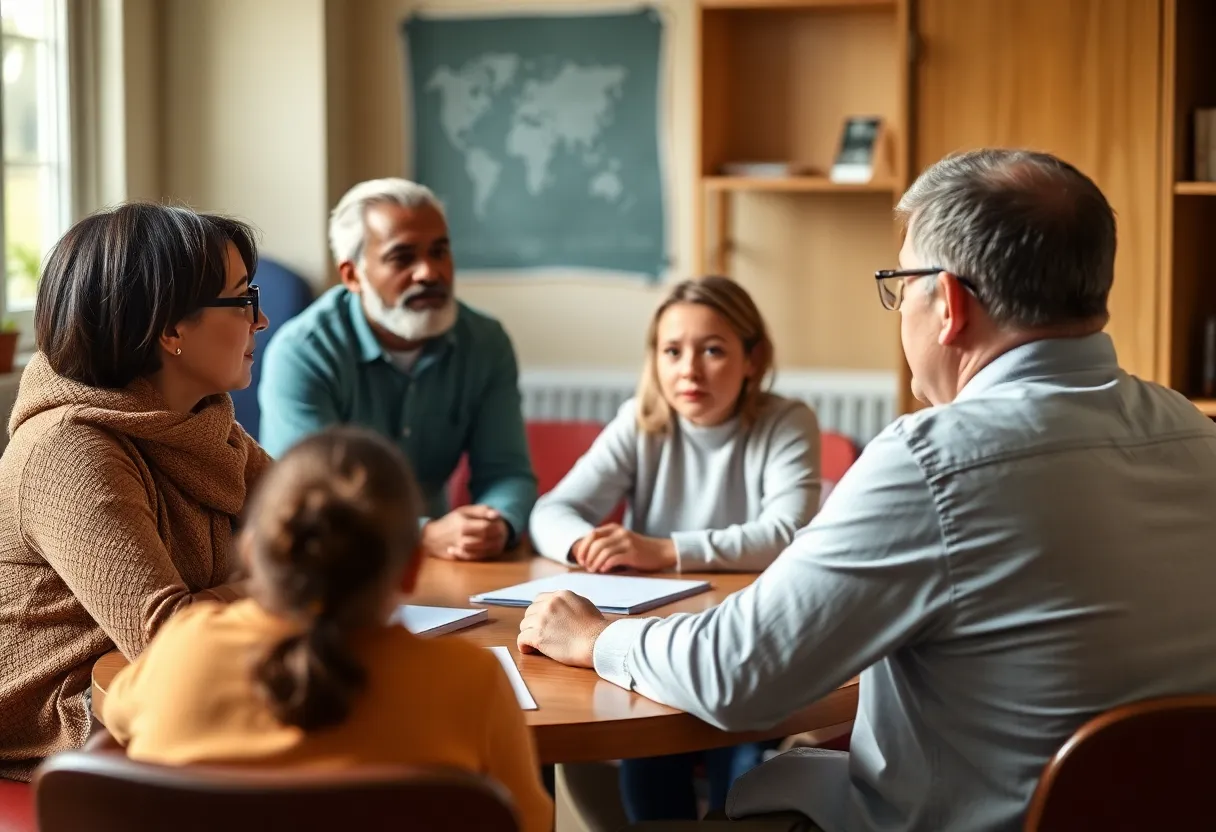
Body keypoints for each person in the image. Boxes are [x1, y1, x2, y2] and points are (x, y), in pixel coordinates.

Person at [515, 148, 1216, 831]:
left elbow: (738, 673)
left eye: (900, 284)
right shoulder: (1194, 432)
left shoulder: (935, 461)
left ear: (946, 303)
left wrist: (596, 636)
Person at [102, 426, 553, 832]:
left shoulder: (183, 647)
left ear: (254, 553)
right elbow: (526, 823)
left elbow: (118, 732)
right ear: (412, 568)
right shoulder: (470, 682)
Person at [530, 275, 821, 822]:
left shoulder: (786, 421)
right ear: (655, 360)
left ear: (753, 358)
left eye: (713, 350)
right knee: (648, 761)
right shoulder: (641, 423)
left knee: (739, 769)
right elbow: (549, 511)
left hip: (741, 633)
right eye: (672, 351)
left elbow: (786, 533)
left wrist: (663, 550)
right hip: (648, 633)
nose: (689, 369)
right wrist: (582, 539)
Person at [0, 203, 271, 781]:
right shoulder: (67, 450)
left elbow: (328, 529)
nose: (262, 319)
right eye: (244, 298)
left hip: (187, 706)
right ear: (171, 329)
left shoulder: (198, 421)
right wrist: (276, 586)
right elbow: (169, 645)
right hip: (78, 738)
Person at [258, 178, 537, 563]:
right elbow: (310, 495)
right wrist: (423, 533)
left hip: (439, 564)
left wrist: (498, 523)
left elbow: (507, 471)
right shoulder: (302, 352)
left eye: (440, 252)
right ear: (352, 276)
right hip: (332, 563)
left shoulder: (485, 342)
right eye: (402, 257)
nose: (429, 272)